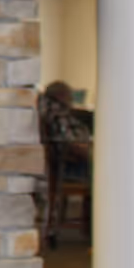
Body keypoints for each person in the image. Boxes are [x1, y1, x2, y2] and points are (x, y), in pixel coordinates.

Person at [38, 81, 92, 246]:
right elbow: (70, 141)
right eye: (69, 96)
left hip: (59, 163)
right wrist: (88, 152)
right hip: (67, 166)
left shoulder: (44, 107)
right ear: (61, 96)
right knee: (104, 180)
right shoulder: (58, 112)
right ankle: (95, 229)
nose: (71, 100)